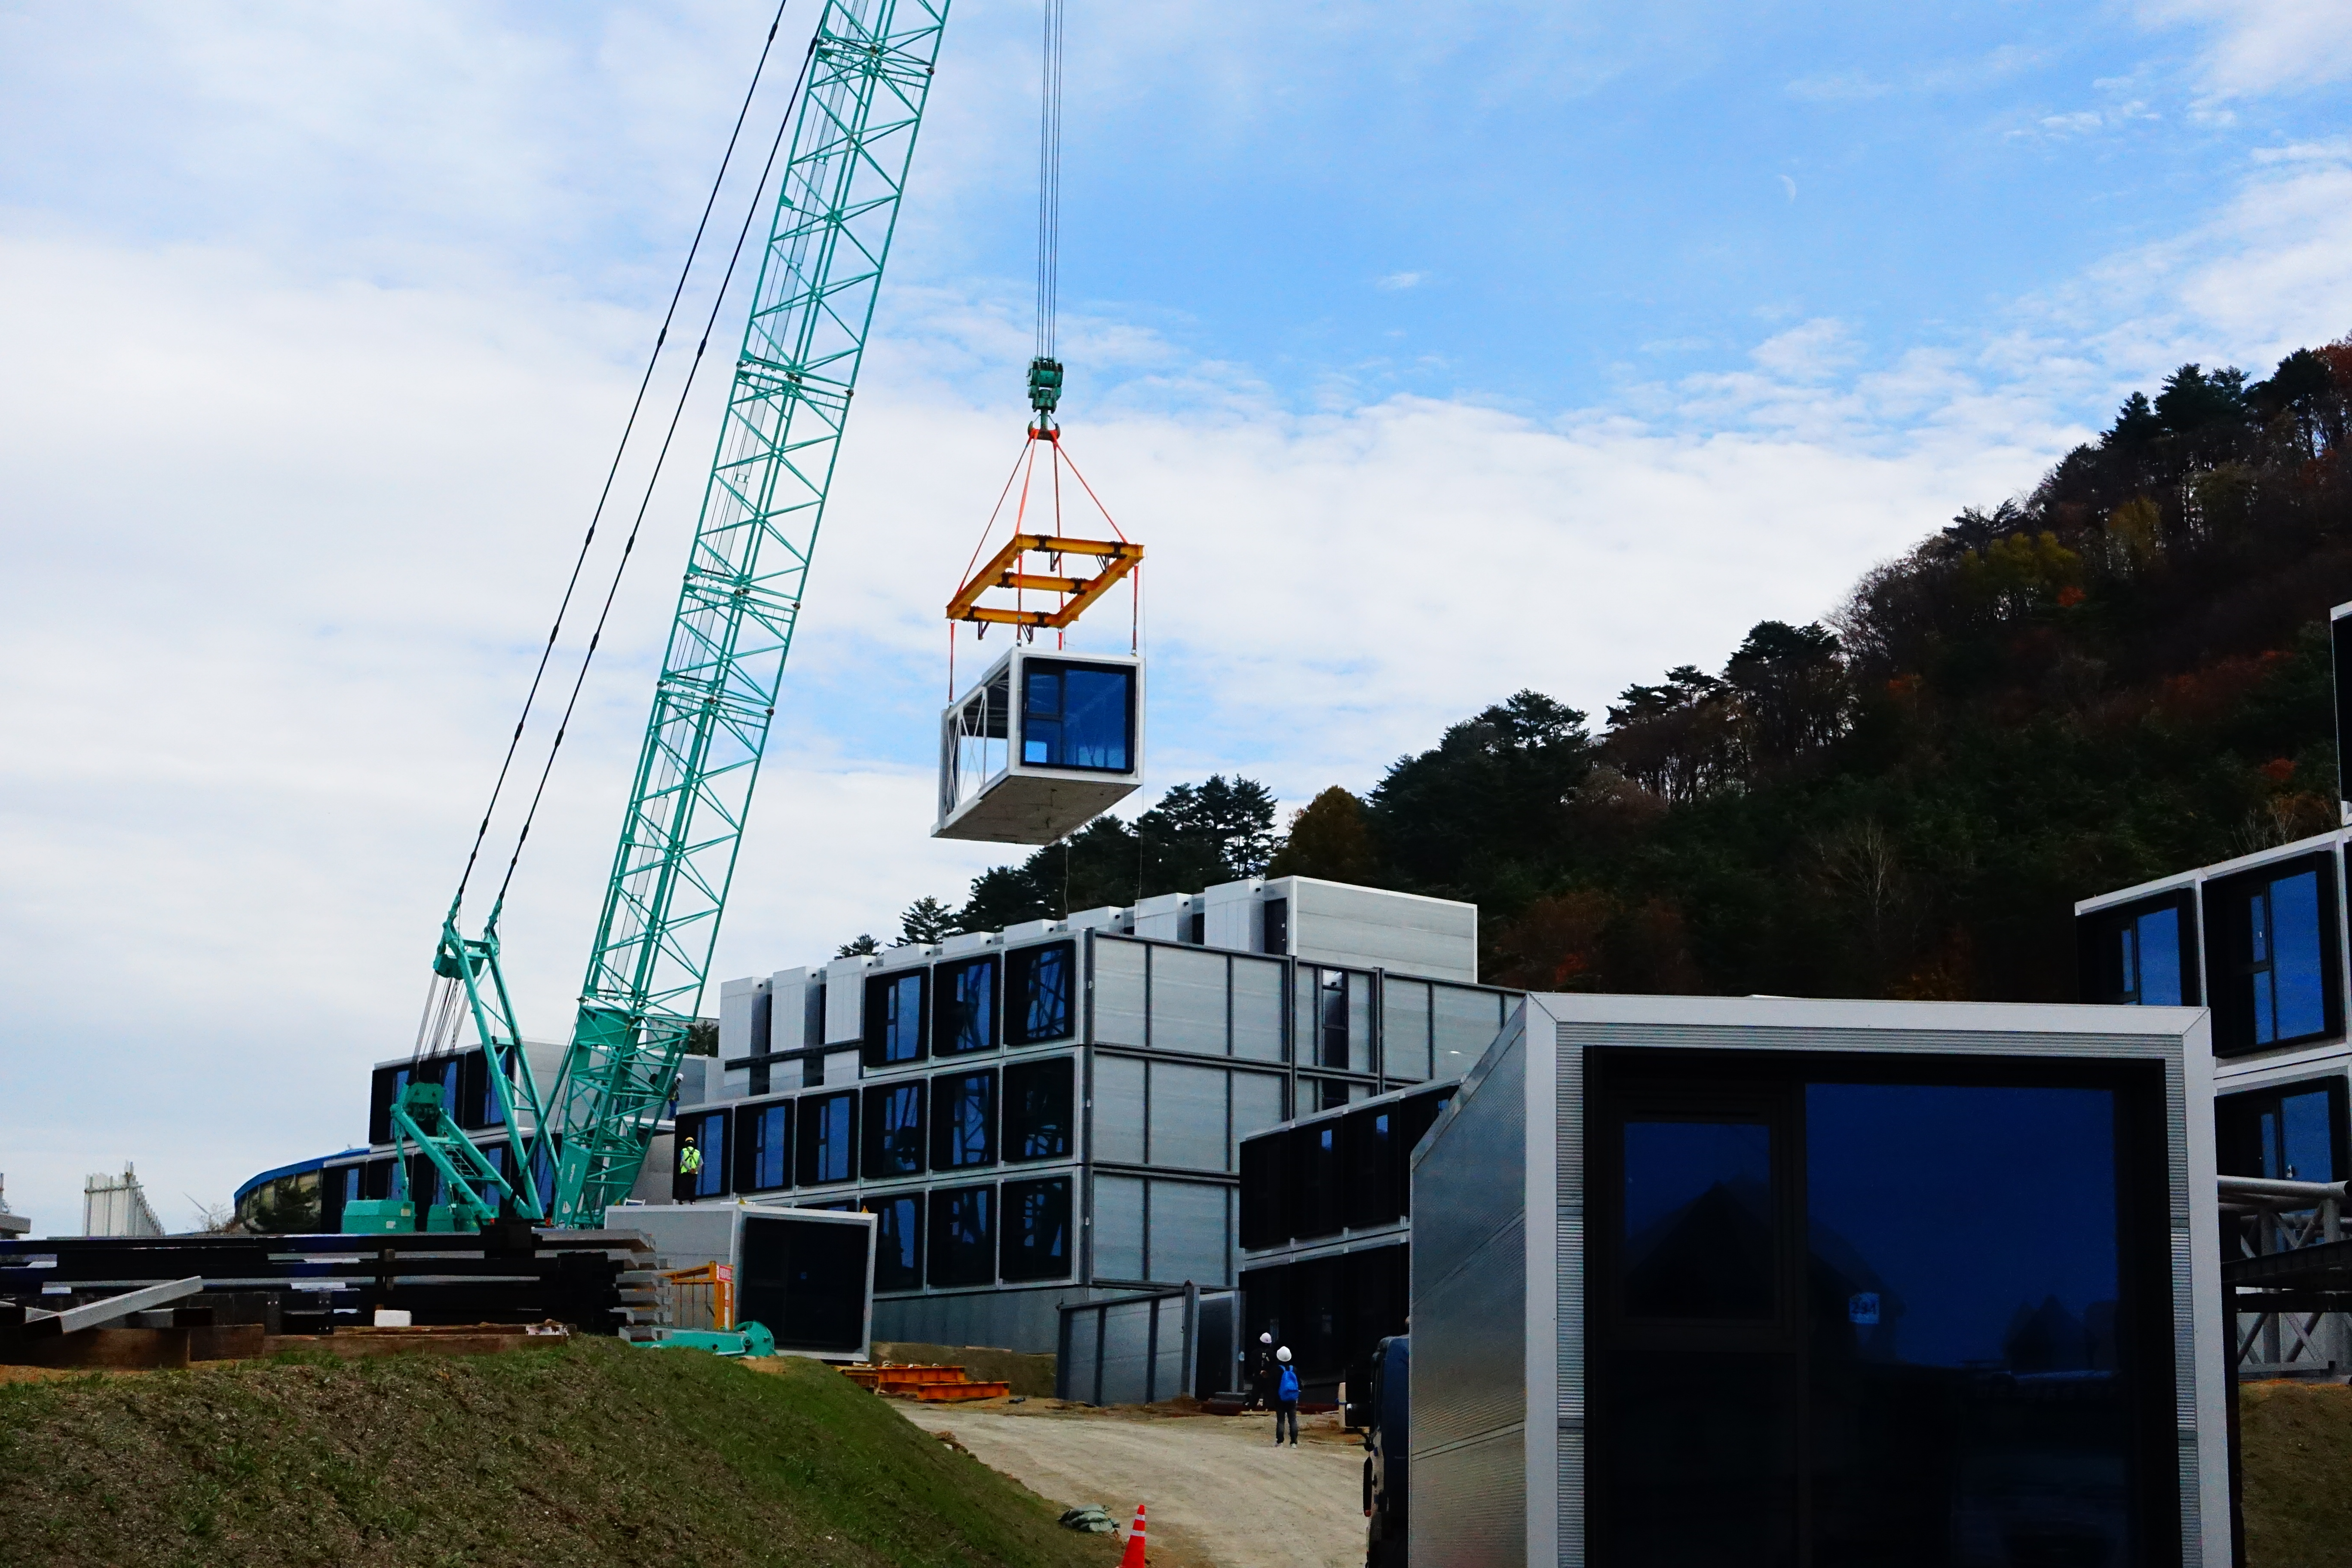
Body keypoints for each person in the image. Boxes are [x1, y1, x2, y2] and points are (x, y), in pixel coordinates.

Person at [1273, 1345, 1299, 1447]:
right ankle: (1294, 1443)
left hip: (1280, 1399)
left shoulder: (1276, 1370)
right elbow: (1300, 1384)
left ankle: (1280, 1442)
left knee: (1281, 1420)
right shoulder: (1295, 1370)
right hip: (1292, 1399)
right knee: (1293, 1419)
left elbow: (1273, 1385)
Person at [1249, 1331, 1276, 1411]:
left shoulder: (1255, 1353)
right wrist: (1268, 1373)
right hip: (1269, 1379)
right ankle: (1267, 1409)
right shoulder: (1273, 1354)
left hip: (1258, 1377)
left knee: (1255, 1396)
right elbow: (1275, 1366)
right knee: (1269, 1396)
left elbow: (1252, 1365)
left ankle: (1251, 1408)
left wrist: (1260, 1372)